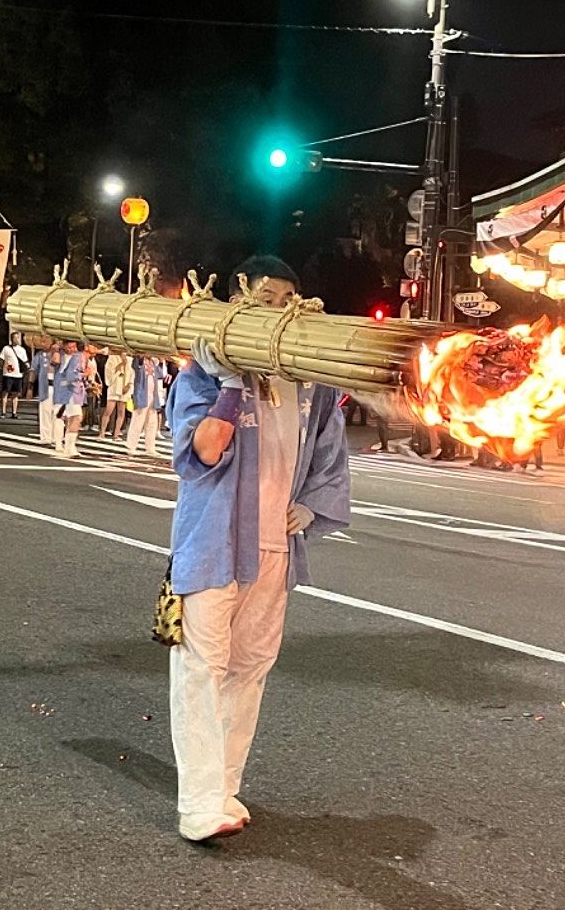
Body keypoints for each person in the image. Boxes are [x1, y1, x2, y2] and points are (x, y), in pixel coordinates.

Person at [167, 255, 350, 842]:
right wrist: (227, 386)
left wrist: (312, 506)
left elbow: (329, 455)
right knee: (202, 667)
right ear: (238, 299)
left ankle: (224, 788)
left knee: (250, 668)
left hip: (277, 544)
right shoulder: (202, 374)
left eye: (289, 300)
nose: (278, 309)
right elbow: (204, 451)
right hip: (213, 540)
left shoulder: (312, 380)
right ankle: (198, 805)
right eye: (267, 298)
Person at [51, 339, 89, 458]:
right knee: (72, 417)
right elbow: (71, 375)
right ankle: (66, 445)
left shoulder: (73, 356)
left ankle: (66, 445)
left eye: (73, 347)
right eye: (69, 346)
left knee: (68, 417)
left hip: (68, 390)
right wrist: (84, 374)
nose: (71, 349)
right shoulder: (68, 356)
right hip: (68, 391)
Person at [126, 354, 166, 457]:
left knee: (152, 424)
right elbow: (136, 367)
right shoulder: (138, 360)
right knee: (137, 422)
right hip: (142, 395)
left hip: (153, 397)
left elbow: (161, 374)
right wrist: (140, 357)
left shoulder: (153, 362)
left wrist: (161, 362)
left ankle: (150, 448)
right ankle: (131, 446)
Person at [98, 348, 132, 441]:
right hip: (114, 387)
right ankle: (102, 432)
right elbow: (108, 376)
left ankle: (116, 434)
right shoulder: (111, 358)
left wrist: (129, 385)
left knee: (121, 412)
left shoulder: (129, 358)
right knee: (108, 411)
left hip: (124, 387)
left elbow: (132, 373)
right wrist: (121, 365)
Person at [36, 339, 63, 447]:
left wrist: (57, 353)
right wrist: (29, 387)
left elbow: (56, 363)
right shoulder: (40, 355)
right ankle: (46, 438)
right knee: (45, 412)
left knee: (58, 414)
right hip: (45, 387)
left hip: (59, 388)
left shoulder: (63, 356)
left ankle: (56, 437)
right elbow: (34, 370)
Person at [0, 332, 28, 419]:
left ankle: (14, 412)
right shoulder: (6, 348)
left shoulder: (22, 350)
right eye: (14, 338)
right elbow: (1, 359)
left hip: (18, 375)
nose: (16, 339)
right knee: (5, 392)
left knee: (15, 394)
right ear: (11, 339)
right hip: (8, 374)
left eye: (17, 338)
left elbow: (25, 361)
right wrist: (1, 369)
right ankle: (3, 412)